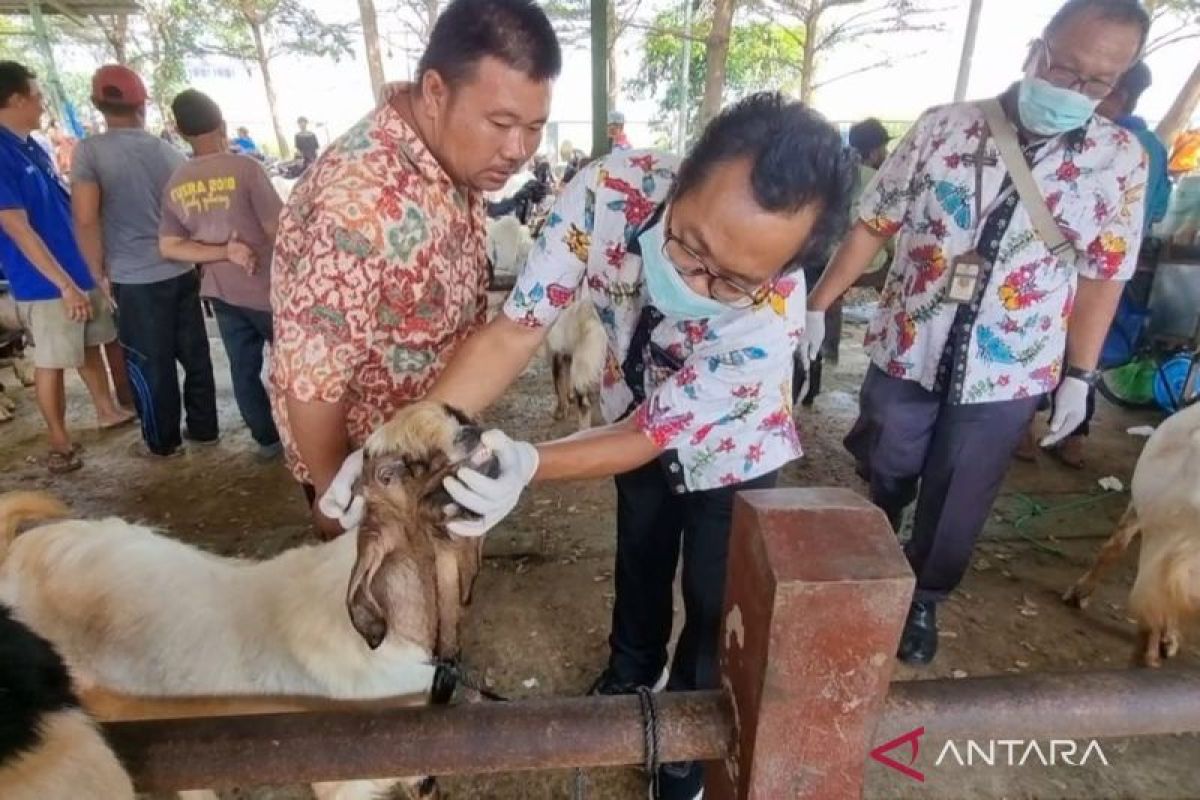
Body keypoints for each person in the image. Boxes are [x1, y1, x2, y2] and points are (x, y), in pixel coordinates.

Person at [324, 93, 852, 800]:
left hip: (732, 448)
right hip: (625, 406)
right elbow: (518, 328)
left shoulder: (769, 321)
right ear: (681, 175)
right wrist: (406, 433)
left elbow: (648, 436)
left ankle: (686, 743)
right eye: (690, 244)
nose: (695, 280)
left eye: (730, 281)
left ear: (783, 271)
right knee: (639, 549)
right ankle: (630, 676)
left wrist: (530, 463)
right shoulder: (609, 191)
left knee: (713, 594)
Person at [804, 0, 1149, 666]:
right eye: (1064, 67)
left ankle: (923, 598)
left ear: (1118, 84)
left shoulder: (1120, 162)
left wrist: (1081, 377)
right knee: (888, 453)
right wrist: (820, 305)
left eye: (1097, 83)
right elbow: (874, 225)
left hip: (1011, 364)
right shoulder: (944, 129)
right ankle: (891, 505)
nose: (1074, 89)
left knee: (960, 496)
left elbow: (1105, 274)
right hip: (910, 341)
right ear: (1034, 48)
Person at [269, 0, 561, 535]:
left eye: (535, 127)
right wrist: (341, 500)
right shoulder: (356, 203)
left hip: (427, 448)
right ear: (434, 92)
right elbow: (312, 386)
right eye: (501, 123)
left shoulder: (449, 156)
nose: (518, 150)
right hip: (372, 478)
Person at [71, 64, 219, 459]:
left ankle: (163, 442)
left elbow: (85, 218)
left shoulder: (89, 151)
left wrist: (96, 272)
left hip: (133, 278)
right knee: (195, 356)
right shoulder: (166, 151)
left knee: (150, 366)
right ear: (143, 105)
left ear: (97, 104)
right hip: (181, 268)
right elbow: (191, 214)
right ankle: (205, 430)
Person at [1034, 60, 1173, 468]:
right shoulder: (1152, 147)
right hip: (1113, 272)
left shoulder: (1095, 140)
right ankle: (1073, 435)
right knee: (1085, 355)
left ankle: (1022, 432)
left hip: (1061, 270)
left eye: (1095, 87)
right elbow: (1159, 208)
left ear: (1117, 93)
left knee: (1043, 341)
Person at [0, 61, 135, 474]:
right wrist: (61, 284)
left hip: (75, 268)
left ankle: (106, 409)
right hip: (44, 281)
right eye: (37, 95)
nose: (43, 103)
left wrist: (85, 271)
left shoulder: (29, 145)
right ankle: (59, 439)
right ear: (17, 98)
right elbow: (17, 228)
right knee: (52, 360)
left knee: (88, 342)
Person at [161, 89, 284, 461]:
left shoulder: (177, 183)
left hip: (221, 293)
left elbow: (169, 247)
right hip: (269, 289)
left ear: (181, 134)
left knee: (243, 368)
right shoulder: (246, 168)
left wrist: (221, 253)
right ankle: (304, 436)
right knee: (293, 366)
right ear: (221, 124)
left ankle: (267, 440)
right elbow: (278, 229)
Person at [794, 117, 895, 406]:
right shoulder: (880, 179)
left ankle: (810, 372)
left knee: (813, 307)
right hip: (860, 263)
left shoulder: (830, 172)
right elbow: (883, 234)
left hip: (816, 257)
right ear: (876, 150)